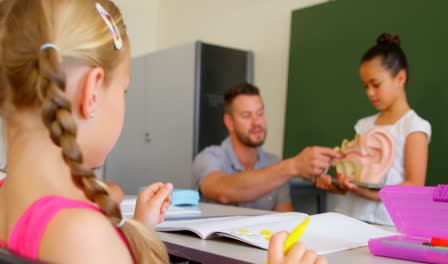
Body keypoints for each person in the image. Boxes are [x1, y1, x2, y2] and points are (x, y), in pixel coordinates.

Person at [0, 1, 325, 263]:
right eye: (124, 90)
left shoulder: (10, 195)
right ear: (93, 92)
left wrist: (141, 228)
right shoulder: (80, 236)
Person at [315, 33, 431, 226]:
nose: (370, 92)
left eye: (376, 84)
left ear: (400, 78)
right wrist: (336, 185)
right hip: (351, 219)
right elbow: (355, 180)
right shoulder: (364, 126)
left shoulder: (414, 127)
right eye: (365, 86)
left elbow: (414, 186)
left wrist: (365, 192)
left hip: (388, 224)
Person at [193, 83, 340, 212]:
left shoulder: (274, 163)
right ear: (229, 122)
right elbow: (223, 191)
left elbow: (285, 219)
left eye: (260, 113)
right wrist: (293, 166)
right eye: (246, 115)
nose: (256, 122)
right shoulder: (208, 157)